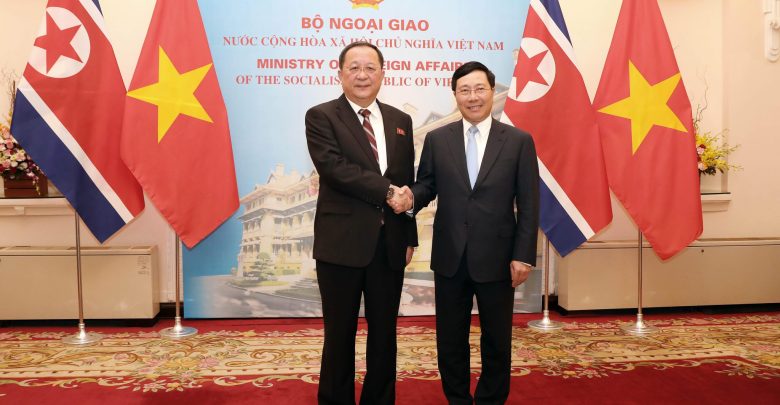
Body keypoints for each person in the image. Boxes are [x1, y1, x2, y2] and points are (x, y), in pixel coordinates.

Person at [389, 61, 539, 404]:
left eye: (479, 89)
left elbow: (530, 202)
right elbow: (427, 184)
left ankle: (490, 400)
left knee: (497, 340)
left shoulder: (518, 141)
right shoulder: (438, 139)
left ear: (492, 91)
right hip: (450, 256)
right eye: (464, 90)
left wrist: (523, 255)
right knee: (450, 340)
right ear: (455, 95)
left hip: (498, 258)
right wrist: (410, 197)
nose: (473, 97)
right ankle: (457, 398)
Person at [305, 41, 418, 405]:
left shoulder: (400, 121)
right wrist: (387, 191)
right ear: (340, 73)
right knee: (339, 334)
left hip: (389, 244)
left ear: (383, 73)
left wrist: (409, 236)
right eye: (354, 67)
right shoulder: (321, 116)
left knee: (385, 334)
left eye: (370, 67)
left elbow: (406, 180)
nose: (362, 75)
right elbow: (335, 169)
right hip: (341, 244)